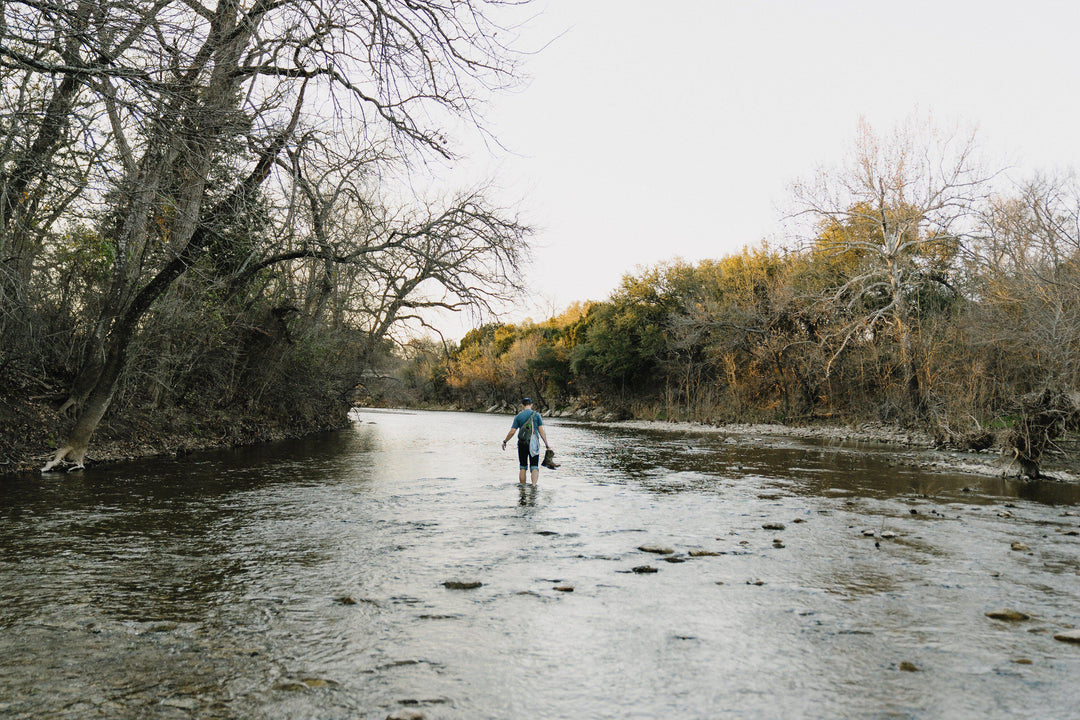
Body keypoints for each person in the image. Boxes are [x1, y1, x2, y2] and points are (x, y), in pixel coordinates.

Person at [501, 397, 551, 485]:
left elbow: (512, 432)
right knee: (534, 466)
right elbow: (541, 431)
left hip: (522, 444)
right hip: (534, 444)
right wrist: (547, 445)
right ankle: (534, 487)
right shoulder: (537, 415)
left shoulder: (518, 416)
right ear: (531, 405)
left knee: (523, 467)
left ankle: (523, 489)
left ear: (522, 406)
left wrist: (505, 441)